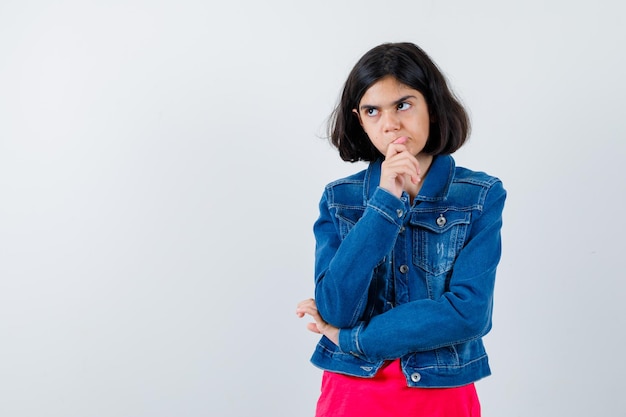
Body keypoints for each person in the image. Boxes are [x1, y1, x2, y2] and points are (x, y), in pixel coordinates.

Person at [296, 42, 506, 417]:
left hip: (441, 394)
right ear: (359, 119)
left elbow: (470, 313)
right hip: (353, 393)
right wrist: (384, 204)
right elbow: (335, 308)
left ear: (433, 108)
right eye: (372, 110)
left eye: (403, 105)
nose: (389, 123)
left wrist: (354, 338)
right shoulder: (339, 198)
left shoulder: (479, 196)